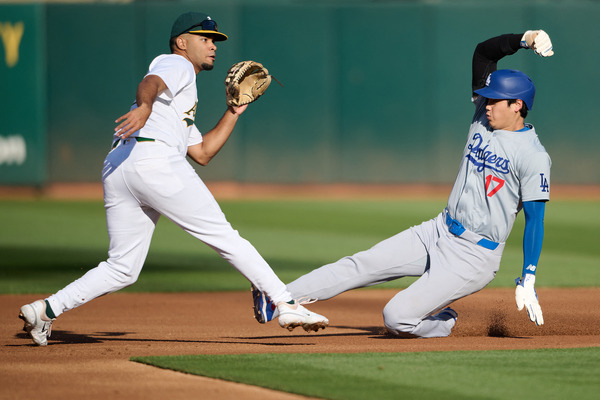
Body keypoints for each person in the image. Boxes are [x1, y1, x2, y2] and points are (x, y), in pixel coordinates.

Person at [19, 11, 328, 346]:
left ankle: (46, 309)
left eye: (214, 41)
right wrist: (144, 106)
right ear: (182, 42)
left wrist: (234, 110)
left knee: (123, 267)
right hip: (154, 161)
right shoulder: (176, 65)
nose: (213, 46)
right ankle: (286, 302)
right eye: (204, 39)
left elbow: (203, 153)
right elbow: (150, 82)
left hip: (120, 166)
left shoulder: (177, 103)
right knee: (224, 236)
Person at [251, 30, 553, 338]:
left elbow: (535, 221)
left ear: (517, 105)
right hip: (438, 230)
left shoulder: (533, 156)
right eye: (486, 98)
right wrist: (525, 39)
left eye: (495, 100)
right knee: (360, 264)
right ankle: (278, 298)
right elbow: (484, 54)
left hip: (473, 257)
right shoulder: (482, 116)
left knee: (396, 318)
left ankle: (442, 323)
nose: (486, 104)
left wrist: (528, 276)